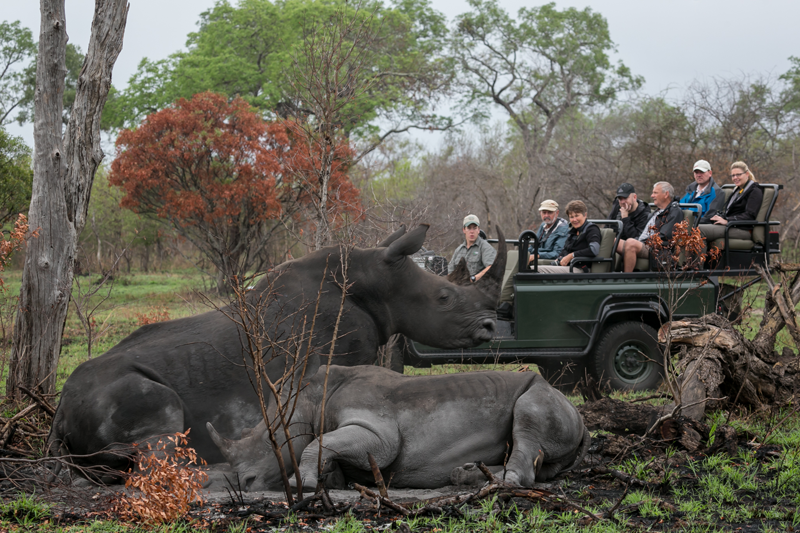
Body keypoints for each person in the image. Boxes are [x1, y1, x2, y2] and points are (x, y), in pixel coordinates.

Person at [619, 182, 683, 272]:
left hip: (656, 249)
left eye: (655, 193)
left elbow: (665, 236)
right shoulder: (656, 212)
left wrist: (644, 242)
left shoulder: (675, 212)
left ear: (666, 194)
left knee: (631, 243)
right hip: (643, 243)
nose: (652, 196)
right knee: (614, 241)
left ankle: (625, 279)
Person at [699, 161, 763, 250]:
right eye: (733, 175)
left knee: (699, 230)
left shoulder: (755, 191)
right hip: (731, 226)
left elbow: (749, 216)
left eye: (738, 175)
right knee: (695, 226)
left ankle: (697, 263)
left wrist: (727, 220)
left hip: (742, 229)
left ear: (747, 174)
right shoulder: (737, 190)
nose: (735, 178)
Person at [537, 200, 601, 274]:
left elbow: (594, 250)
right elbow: (565, 249)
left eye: (577, 216)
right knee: (531, 268)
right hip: (568, 266)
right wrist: (559, 258)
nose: (574, 220)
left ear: (585, 215)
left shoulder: (592, 229)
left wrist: (572, 255)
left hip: (580, 268)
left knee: (535, 270)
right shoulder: (573, 231)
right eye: (571, 217)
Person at [449, 214, 497, 282]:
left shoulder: (485, 247)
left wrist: (474, 278)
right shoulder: (458, 250)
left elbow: (491, 267)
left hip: (476, 287)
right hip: (458, 287)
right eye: (469, 228)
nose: (472, 231)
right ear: (464, 230)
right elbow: (450, 271)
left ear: (478, 230)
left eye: (474, 228)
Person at [609, 183, 650, 255]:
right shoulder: (617, 206)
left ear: (634, 197)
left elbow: (636, 239)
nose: (622, 202)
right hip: (616, 244)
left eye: (625, 198)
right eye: (620, 199)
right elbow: (609, 227)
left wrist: (625, 218)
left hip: (632, 246)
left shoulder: (644, 213)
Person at [680, 159, 725, 224]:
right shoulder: (691, 190)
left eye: (702, 172)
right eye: (696, 172)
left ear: (710, 173)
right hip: (684, 224)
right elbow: (679, 207)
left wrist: (688, 223)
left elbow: (710, 217)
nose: (699, 175)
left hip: (698, 226)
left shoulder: (716, 192)